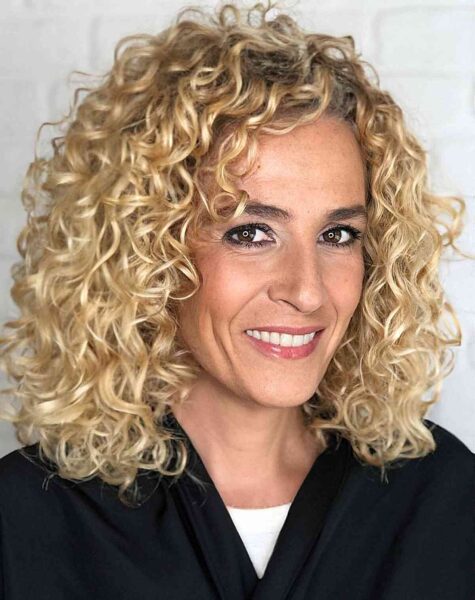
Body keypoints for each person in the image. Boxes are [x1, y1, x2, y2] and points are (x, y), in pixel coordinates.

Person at [0, 3, 473, 599]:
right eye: (250, 233)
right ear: (150, 248)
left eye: (338, 235)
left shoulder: (440, 502)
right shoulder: (29, 519)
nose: (307, 291)